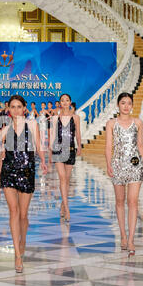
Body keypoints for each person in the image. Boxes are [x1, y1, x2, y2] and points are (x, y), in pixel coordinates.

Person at [0, 95, 47, 273]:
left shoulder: (32, 125)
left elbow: (38, 146)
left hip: (27, 172)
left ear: (24, 108)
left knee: (23, 215)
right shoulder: (4, 130)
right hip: (8, 174)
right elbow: (0, 157)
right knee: (14, 211)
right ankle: (17, 253)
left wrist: (44, 162)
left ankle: (23, 240)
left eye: (19, 106)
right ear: (8, 109)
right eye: (12, 107)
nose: (15, 110)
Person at [105, 93, 143, 257]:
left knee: (133, 201)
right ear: (118, 105)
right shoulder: (111, 124)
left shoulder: (138, 123)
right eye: (123, 103)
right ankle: (122, 235)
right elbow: (108, 146)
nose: (126, 106)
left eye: (129, 103)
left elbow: (140, 145)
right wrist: (109, 164)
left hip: (135, 165)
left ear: (132, 105)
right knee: (120, 201)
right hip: (118, 165)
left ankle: (131, 239)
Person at [50, 94, 82, 222]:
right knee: (62, 178)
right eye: (62, 100)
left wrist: (80, 146)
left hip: (70, 149)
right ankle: (67, 209)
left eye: (67, 100)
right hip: (57, 150)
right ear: (59, 103)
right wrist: (49, 152)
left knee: (67, 180)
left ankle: (63, 205)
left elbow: (78, 133)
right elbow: (53, 135)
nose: (64, 102)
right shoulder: (54, 118)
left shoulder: (76, 118)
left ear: (70, 102)